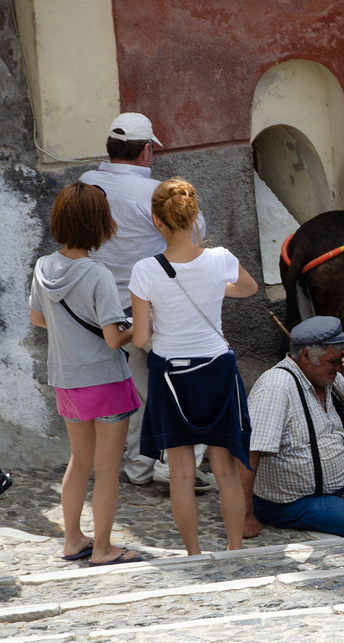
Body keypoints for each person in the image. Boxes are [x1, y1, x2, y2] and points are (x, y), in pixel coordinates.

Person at [79, 113, 210, 491]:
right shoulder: (154, 194)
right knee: (191, 385)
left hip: (106, 310)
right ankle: (180, 467)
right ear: (147, 151)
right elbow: (195, 234)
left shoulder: (86, 183)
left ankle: (140, 468)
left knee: (139, 393)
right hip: (153, 308)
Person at [129, 177, 258, 555]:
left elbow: (140, 337)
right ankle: (235, 548)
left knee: (181, 474)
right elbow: (249, 288)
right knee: (226, 470)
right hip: (217, 371)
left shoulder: (145, 270)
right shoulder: (221, 259)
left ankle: (193, 555)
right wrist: (216, 290)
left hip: (171, 376)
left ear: (157, 220)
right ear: (195, 215)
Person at [29, 182, 142, 566]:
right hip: (105, 380)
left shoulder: (44, 267)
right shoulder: (97, 274)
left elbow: (37, 318)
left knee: (79, 461)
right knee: (108, 469)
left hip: (66, 379)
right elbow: (113, 338)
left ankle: (73, 540)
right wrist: (140, 324)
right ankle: (105, 548)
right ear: (98, 224)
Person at [241, 316, 344, 538]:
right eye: (333, 361)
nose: (338, 367)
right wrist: (244, 516)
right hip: (290, 502)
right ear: (306, 356)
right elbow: (249, 453)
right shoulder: (276, 387)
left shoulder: (329, 375)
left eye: (341, 360)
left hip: (333, 479)